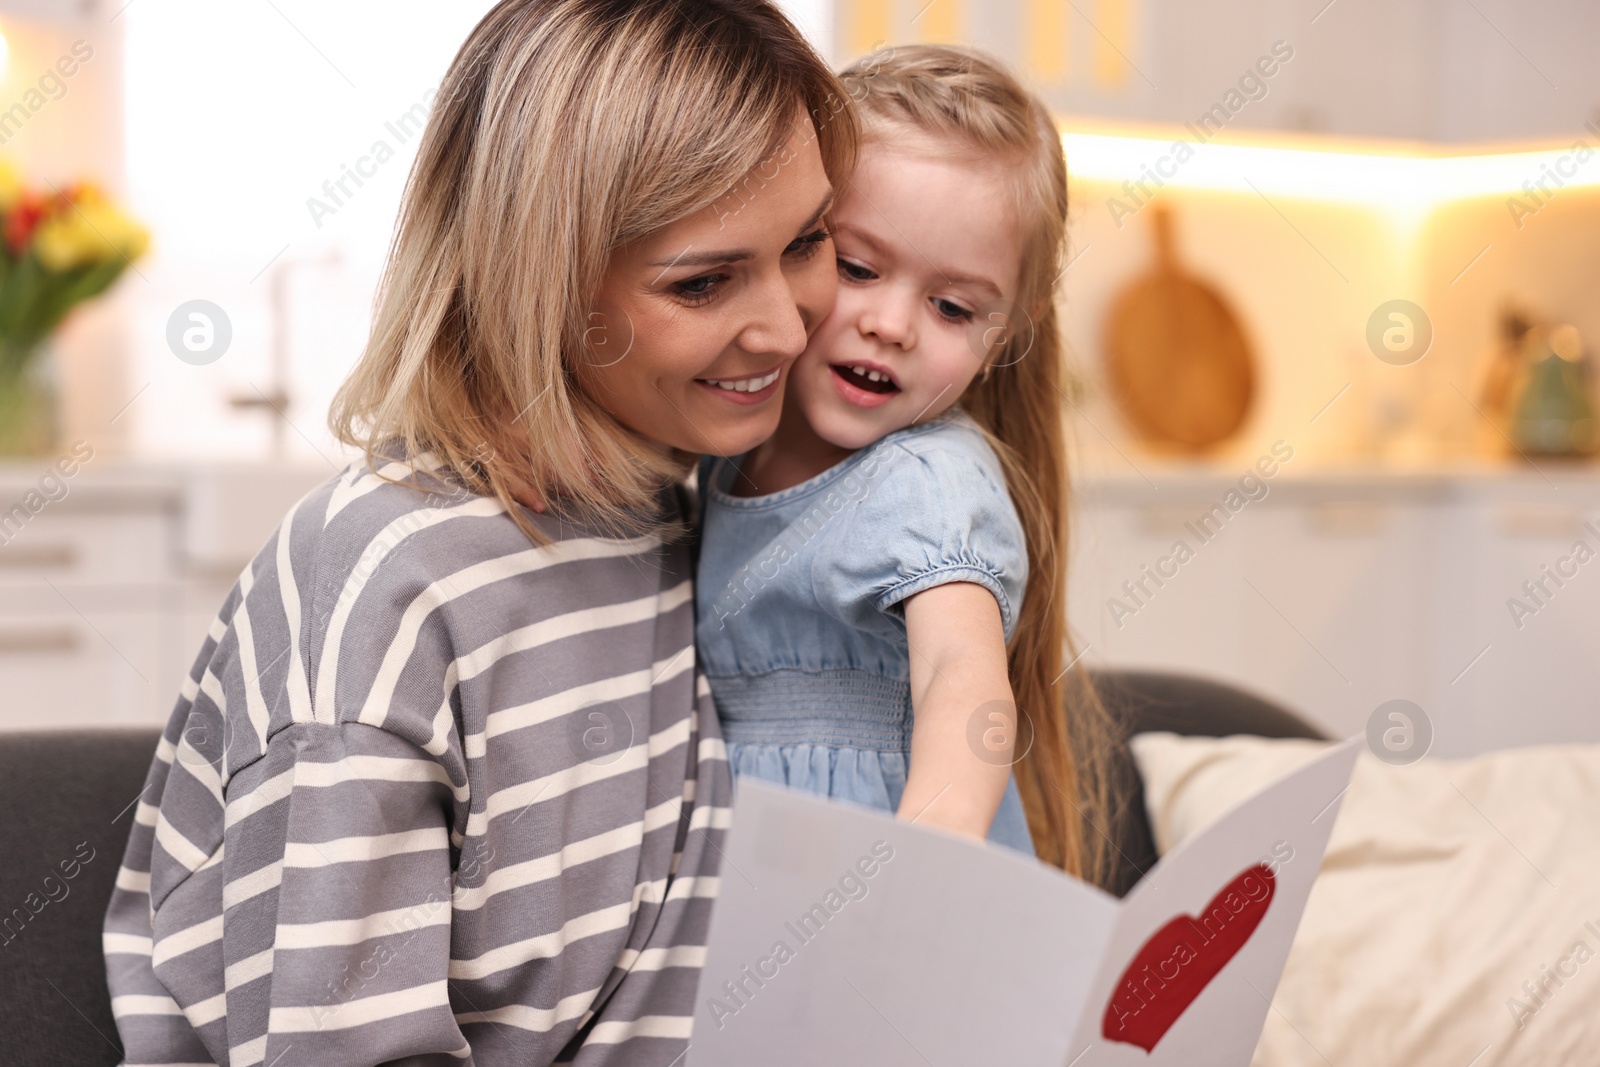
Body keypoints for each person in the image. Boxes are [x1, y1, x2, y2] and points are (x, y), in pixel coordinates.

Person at [102, 2, 857, 1063]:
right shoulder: (385, 591)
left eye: (809, 241)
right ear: (535, 281)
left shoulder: (673, 513)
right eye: (702, 280)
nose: (787, 324)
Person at [696, 44, 1111, 874]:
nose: (891, 323)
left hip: (874, 896)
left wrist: (934, 849)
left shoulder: (929, 481)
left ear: (1007, 334)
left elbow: (961, 673)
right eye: (856, 266)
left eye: (952, 306)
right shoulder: (723, 451)